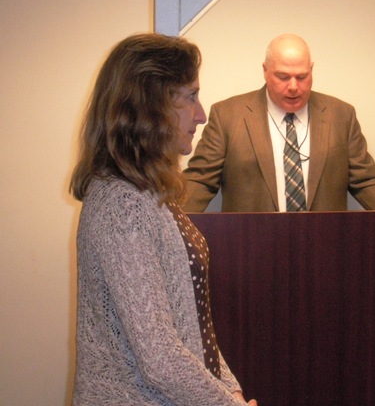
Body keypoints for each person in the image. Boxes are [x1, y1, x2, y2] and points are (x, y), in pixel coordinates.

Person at [69, 33, 257, 406]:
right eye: (190, 97)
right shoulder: (122, 203)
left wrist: (228, 385)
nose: (201, 115)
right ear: (150, 106)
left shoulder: (150, 194)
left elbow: (192, 322)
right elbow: (160, 358)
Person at [183, 33, 375, 212]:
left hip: (325, 248)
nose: (293, 86)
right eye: (282, 77)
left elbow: (366, 181)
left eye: (302, 77)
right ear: (265, 71)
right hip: (250, 247)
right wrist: (169, 226)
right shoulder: (228, 116)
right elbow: (200, 181)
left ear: (312, 70)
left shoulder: (341, 115)